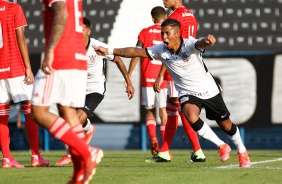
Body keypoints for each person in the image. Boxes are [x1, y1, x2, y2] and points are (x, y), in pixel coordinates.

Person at [94, 18, 251, 168]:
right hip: (187, 92)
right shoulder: (160, 50)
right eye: (162, 33)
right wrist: (109, 50)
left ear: (177, 34)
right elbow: (135, 51)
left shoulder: (189, 44)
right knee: (190, 116)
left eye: (167, 33)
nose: (163, 37)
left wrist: (207, 42)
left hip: (208, 90)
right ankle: (222, 146)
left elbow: (200, 43)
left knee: (226, 125)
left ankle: (242, 151)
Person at [31, 1, 103, 183]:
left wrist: (50, 51)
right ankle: (80, 171)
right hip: (77, 57)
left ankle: (87, 152)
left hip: (61, 56)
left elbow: (62, 13)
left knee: (39, 112)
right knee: (68, 111)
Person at [55, 17, 135, 165]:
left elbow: (117, 59)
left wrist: (128, 81)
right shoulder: (70, 47)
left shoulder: (97, 46)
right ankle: (88, 130)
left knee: (76, 119)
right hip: (76, 88)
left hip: (95, 89)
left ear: (88, 31)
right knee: (69, 119)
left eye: (82, 28)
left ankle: (72, 154)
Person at [0, 0, 50, 168]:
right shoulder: (14, 8)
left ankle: (7, 158)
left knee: (2, 115)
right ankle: (36, 156)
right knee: (29, 110)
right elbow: (20, 38)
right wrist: (28, 67)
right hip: (15, 66)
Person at [154, 0, 206, 162]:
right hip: (191, 65)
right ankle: (165, 150)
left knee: (182, 109)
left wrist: (162, 73)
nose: (164, 0)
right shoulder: (191, 16)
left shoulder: (175, 18)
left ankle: (198, 150)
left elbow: (174, 48)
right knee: (174, 109)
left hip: (178, 68)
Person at [128, 6, 167, 156]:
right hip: (162, 75)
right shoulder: (167, 33)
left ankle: (153, 139)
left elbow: (136, 53)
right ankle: (165, 147)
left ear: (152, 18)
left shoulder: (144, 32)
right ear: (165, 17)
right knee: (163, 110)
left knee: (150, 110)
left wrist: (129, 74)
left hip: (147, 75)